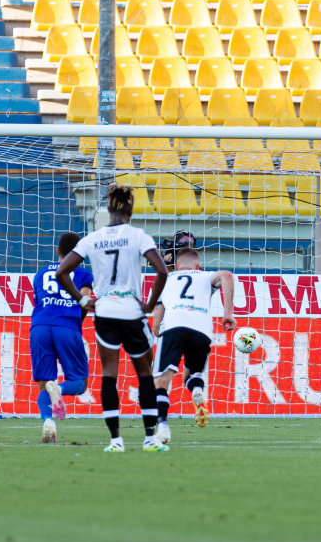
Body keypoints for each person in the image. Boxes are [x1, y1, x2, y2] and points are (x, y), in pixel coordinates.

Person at [56, 185, 169, 453]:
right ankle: (150, 438)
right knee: (144, 373)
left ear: (108, 210)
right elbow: (162, 270)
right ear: (130, 210)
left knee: (109, 374)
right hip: (131, 310)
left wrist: (84, 300)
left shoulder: (92, 238)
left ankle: (115, 442)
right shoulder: (137, 236)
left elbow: (62, 271)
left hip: (104, 311)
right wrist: (150, 304)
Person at [151, 247, 236, 443]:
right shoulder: (206, 276)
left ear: (176, 266)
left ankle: (163, 427)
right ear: (198, 265)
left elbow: (159, 307)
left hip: (173, 328)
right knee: (192, 375)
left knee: (161, 383)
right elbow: (227, 275)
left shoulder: (166, 278)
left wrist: (156, 329)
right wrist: (228, 313)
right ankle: (197, 389)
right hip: (201, 331)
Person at [30, 232, 94, 444]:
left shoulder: (40, 274)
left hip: (40, 327)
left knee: (43, 384)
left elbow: (39, 301)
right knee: (80, 383)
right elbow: (84, 299)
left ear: (57, 251)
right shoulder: (83, 274)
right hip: (66, 326)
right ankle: (60, 389)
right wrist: (76, 322)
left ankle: (48, 422)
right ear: (80, 255)